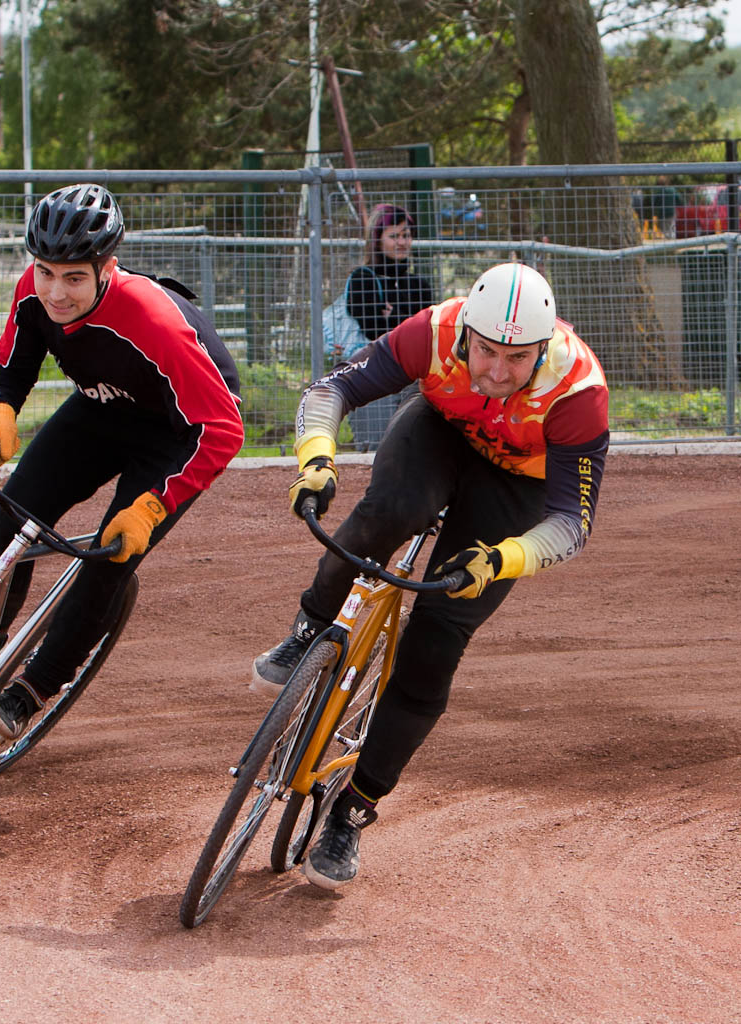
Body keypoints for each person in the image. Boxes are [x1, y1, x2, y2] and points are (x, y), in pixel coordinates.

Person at [251, 262, 609, 890]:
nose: (497, 371)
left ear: (544, 350)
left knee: (437, 639)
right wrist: (315, 460)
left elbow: (570, 524)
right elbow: (329, 391)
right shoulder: (437, 330)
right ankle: (309, 627)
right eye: (487, 351)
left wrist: (502, 560)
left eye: (517, 359)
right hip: (440, 434)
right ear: (468, 331)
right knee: (388, 512)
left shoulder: (577, 391)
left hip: (515, 488)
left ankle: (351, 812)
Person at [0, 183, 245, 741]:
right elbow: (13, 365)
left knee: (107, 557)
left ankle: (34, 689)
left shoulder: (153, 321)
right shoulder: (34, 290)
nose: (56, 292)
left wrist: (152, 504)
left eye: (74, 277)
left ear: (106, 268)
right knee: (12, 516)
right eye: (46, 271)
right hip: (103, 406)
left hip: (177, 432)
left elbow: (222, 429)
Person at [342, 203, 435, 450]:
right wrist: (403, 320)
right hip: (372, 371)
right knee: (374, 447)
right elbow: (374, 330)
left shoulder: (419, 285)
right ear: (377, 239)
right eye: (394, 236)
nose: (402, 242)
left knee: (413, 447)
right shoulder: (362, 279)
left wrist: (392, 317)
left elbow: (425, 334)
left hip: (413, 377)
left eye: (406, 235)